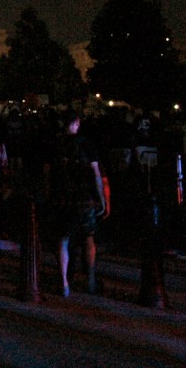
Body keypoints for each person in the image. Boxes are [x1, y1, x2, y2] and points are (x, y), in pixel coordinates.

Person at [48, 111, 107, 296]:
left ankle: (64, 283)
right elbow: (96, 173)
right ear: (77, 123)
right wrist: (101, 198)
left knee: (63, 238)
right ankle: (90, 280)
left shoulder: (56, 144)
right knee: (89, 237)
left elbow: (48, 173)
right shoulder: (87, 144)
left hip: (63, 197)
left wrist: (51, 194)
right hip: (84, 196)